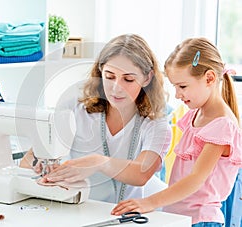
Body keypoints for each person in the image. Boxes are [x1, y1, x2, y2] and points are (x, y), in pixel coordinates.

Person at [20, 34, 171, 203]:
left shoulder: (156, 126)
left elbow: (141, 173)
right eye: (109, 76)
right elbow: (27, 162)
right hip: (77, 210)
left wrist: (98, 162)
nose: (116, 88)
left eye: (128, 79)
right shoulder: (74, 110)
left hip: (124, 217)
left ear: (147, 78)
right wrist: (40, 165)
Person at [111, 37, 242, 226]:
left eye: (182, 86)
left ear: (210, 78)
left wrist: (150, 202)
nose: (178, 94)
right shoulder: (197, 115)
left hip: (201, 221)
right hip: (180, 218)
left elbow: (196, 179)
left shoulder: (221, 127)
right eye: (175, 87)